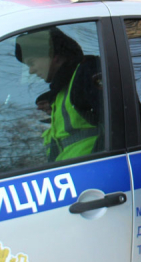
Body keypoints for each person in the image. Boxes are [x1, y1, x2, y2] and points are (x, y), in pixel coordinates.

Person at [15, 27, 103, 162]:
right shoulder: (63, 92)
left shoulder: (87, 73)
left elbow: (123, 126)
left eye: (31, 63)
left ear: (53, 55)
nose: (31, 71)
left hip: (92, 173)